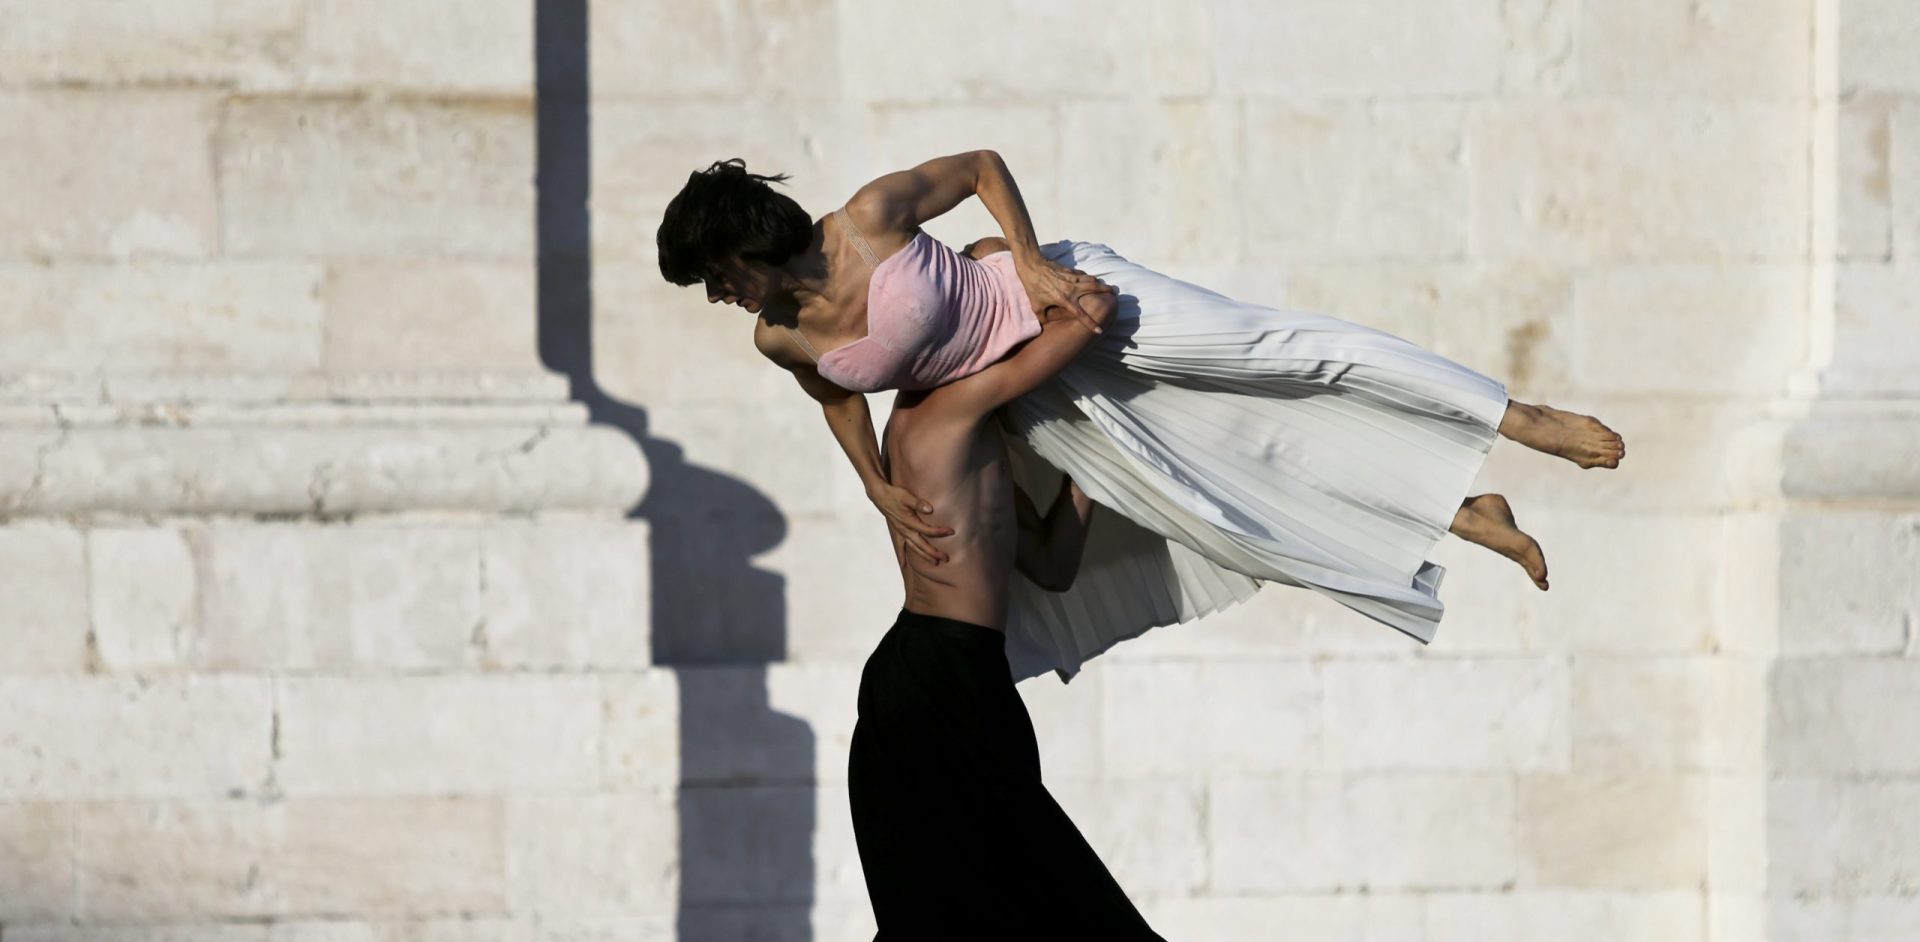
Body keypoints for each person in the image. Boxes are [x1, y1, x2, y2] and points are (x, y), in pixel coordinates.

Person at [657, 152, 1625, 680]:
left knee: (1273, 354)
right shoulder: (780, 336)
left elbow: (984, 168)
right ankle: (1460, 512)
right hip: (1042, 392)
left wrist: (1030, 263)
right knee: (1225, 502)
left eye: (718, 276)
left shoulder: (869, 216)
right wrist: (873, 484)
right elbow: (836, 395)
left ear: (745, 240)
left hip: (1073, 300)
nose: (723, 296)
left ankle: (1512, 411)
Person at [836, 271, 1241, 942]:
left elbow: (1052, 566)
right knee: (1026, 906)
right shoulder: (940, 413)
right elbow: (1085, 320)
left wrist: (1095, 469)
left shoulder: (974, 438)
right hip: (930, 686)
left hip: (956, 685)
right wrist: (1044, 285)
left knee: (937, 920)